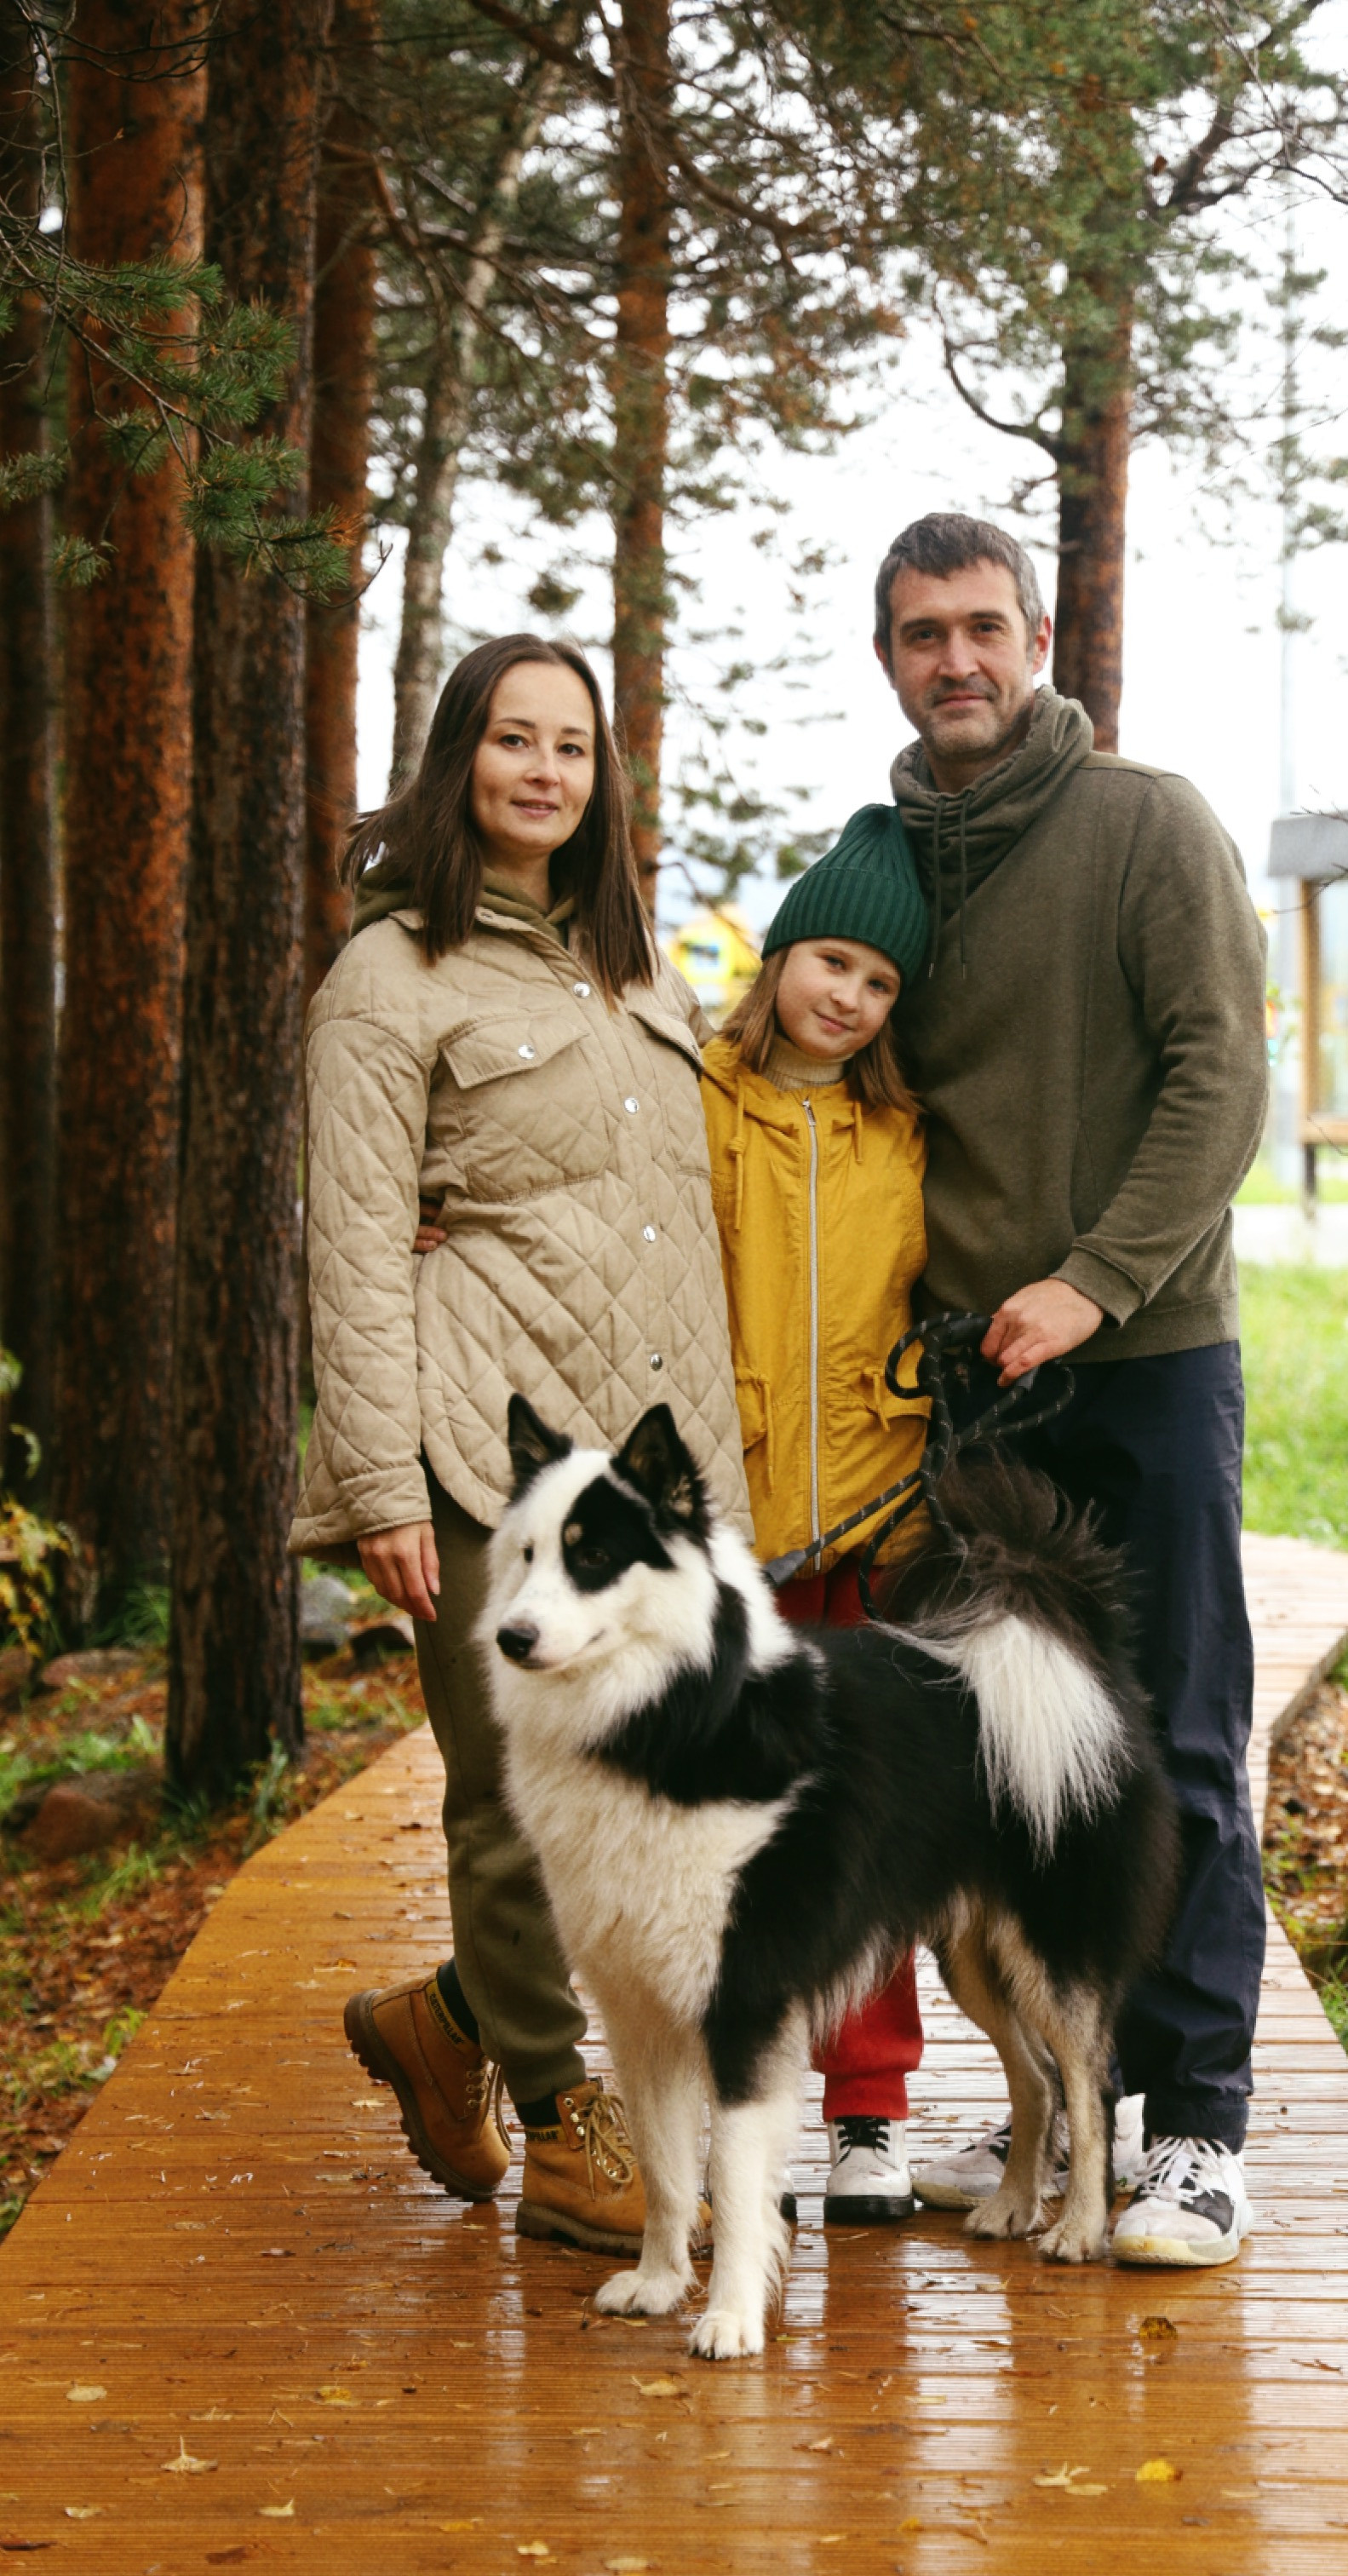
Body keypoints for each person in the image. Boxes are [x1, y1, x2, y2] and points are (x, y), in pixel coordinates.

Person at [290, 632, 748, 2257]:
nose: (542, 771)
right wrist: (375, 1478)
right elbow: (352, 1240)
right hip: (477, 1447)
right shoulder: (387, 977)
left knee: (640, 1792)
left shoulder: (642, 974)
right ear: (458, 759)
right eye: (511, 740)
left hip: (647, 1471)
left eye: (571, 746)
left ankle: (444, 2022)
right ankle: (564, 2126)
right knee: (508, 1791)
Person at [875, 513, 1271, 2268]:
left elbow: (1223, 1074)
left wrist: (1092, 1279)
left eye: (981, 626)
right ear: (888, 661)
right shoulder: (889, 860)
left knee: (1176, 1740)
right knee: (1013, 1766)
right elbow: (795, 1052)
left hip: (1151, 1355)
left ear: (1038, 639)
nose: (955, 660)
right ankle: (1062, 2103)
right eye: (918, 635)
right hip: (981, 1393)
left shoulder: (1146, 824)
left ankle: (1192, 2129)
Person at [700, 808, 934, 2222]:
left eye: (882, 983)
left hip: (864, 1519)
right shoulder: (694, 1096)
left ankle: (871, 2111)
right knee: (725, 1829)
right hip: (726, 1534)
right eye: (832, 960)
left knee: (858, 1819)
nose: (847, 997)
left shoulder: (898, 1134)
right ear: (782, 953)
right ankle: (742, 2095)